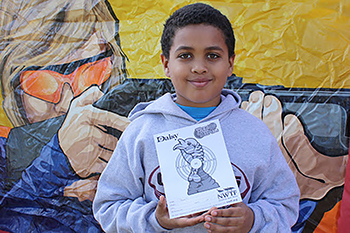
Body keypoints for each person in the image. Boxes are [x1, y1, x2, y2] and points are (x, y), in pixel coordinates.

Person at [93, 3, 300, 232]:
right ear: (166, 64)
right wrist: (155, 220)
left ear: (230, 63)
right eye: (185, 56)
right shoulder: (141, 132)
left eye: (212, 56)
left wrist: (253, 219)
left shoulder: (255, 133)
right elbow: (108, 207)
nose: (199, 67)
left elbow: (285, 204)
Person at [0, 0, 129, 232]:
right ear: (12, 84)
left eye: (90, 72)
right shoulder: (5, 152)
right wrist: (57, 167)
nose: (68, 103)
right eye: (44, 83)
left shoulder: (144, 127)